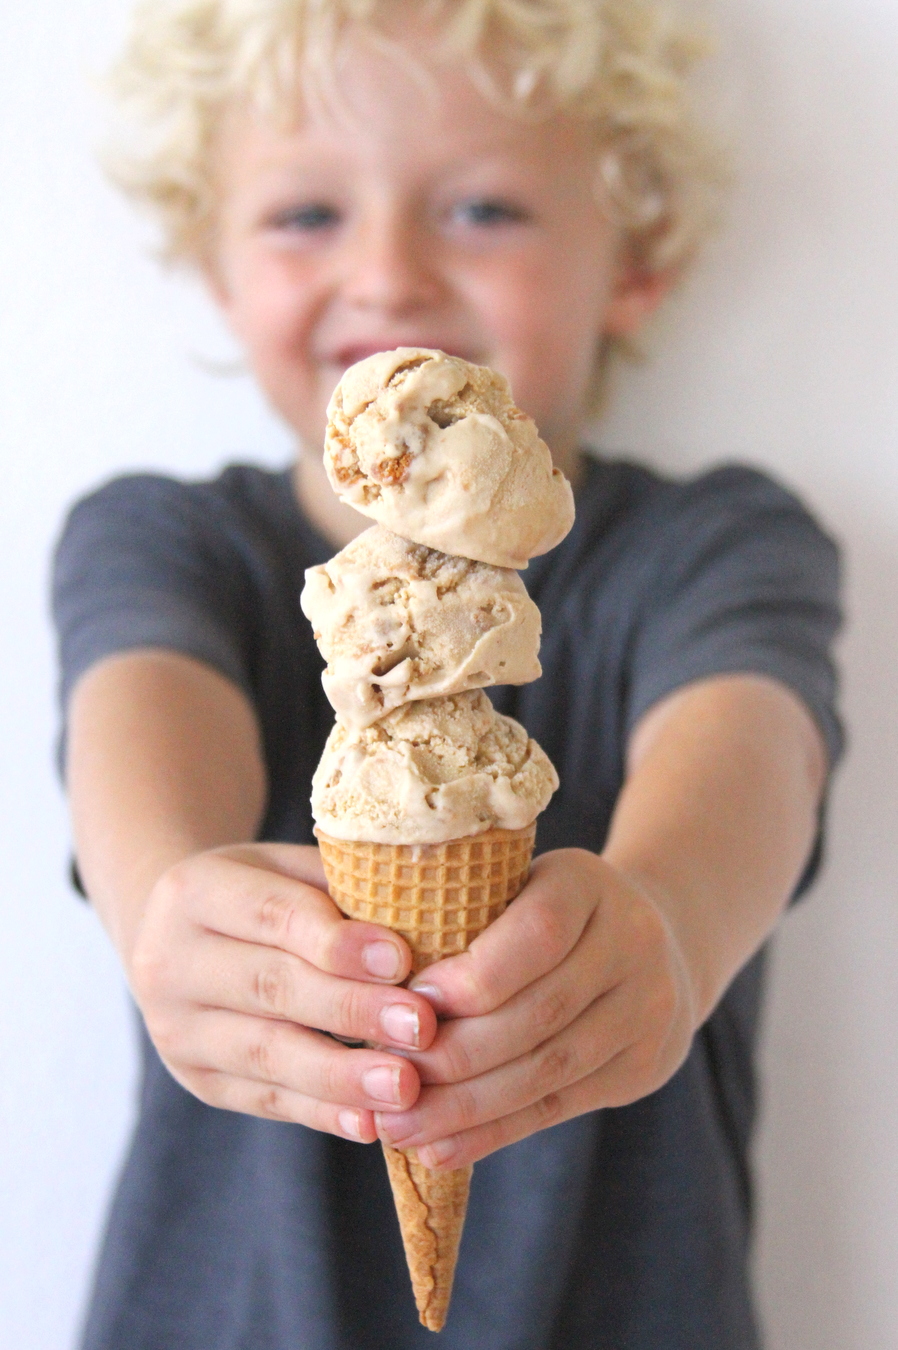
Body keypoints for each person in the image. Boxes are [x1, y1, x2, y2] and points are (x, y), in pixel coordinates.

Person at [52, 2, 842, 1346]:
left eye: (480, 208)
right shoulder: (169, 541)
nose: (388, 273)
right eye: (304, 213)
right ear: (215, 267)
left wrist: (670, 918)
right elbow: (138, 742)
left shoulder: (712, 542)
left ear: (635, 261)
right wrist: (164, 911)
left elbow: (752, 755)